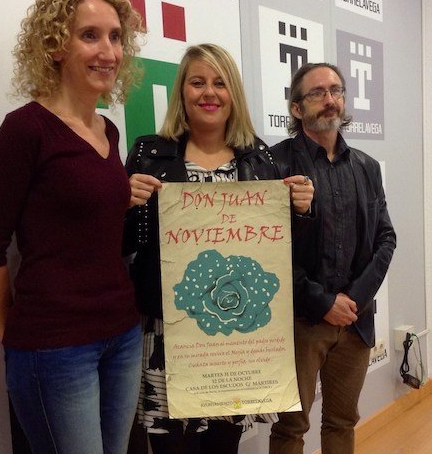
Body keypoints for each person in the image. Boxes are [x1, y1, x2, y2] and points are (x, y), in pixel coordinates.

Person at [0, 0, 144, 453]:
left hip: (122, 334)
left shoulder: (108, 130)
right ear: (55, 45)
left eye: (115, 37)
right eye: (90, 35)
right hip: (55, 347)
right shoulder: (25, 130)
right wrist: (15, 337)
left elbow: (87, 223)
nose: (108, 51)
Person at [124, 43, 314, 454]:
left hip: (235, 340)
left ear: (233, 94)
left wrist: (299, 211)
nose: (209, 93)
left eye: (220, 83)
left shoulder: (257, 158)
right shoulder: (148, 154)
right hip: (170, 337)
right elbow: (124, 245)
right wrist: (122, 204)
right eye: (198, 82)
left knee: (224, 448)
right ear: (182, 91)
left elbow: (277, 252)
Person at [268, 62, 396, 454]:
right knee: (291, 428)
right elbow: (268, 252)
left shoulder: (366, 167)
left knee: (342, 422)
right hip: (301, 322)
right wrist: (324, 303)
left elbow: (385, 238)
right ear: (296, 108)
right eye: (317, 93)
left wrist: (354, 300)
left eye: (336, 90)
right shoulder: (274, 165)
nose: (330, 100)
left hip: (355, 322)